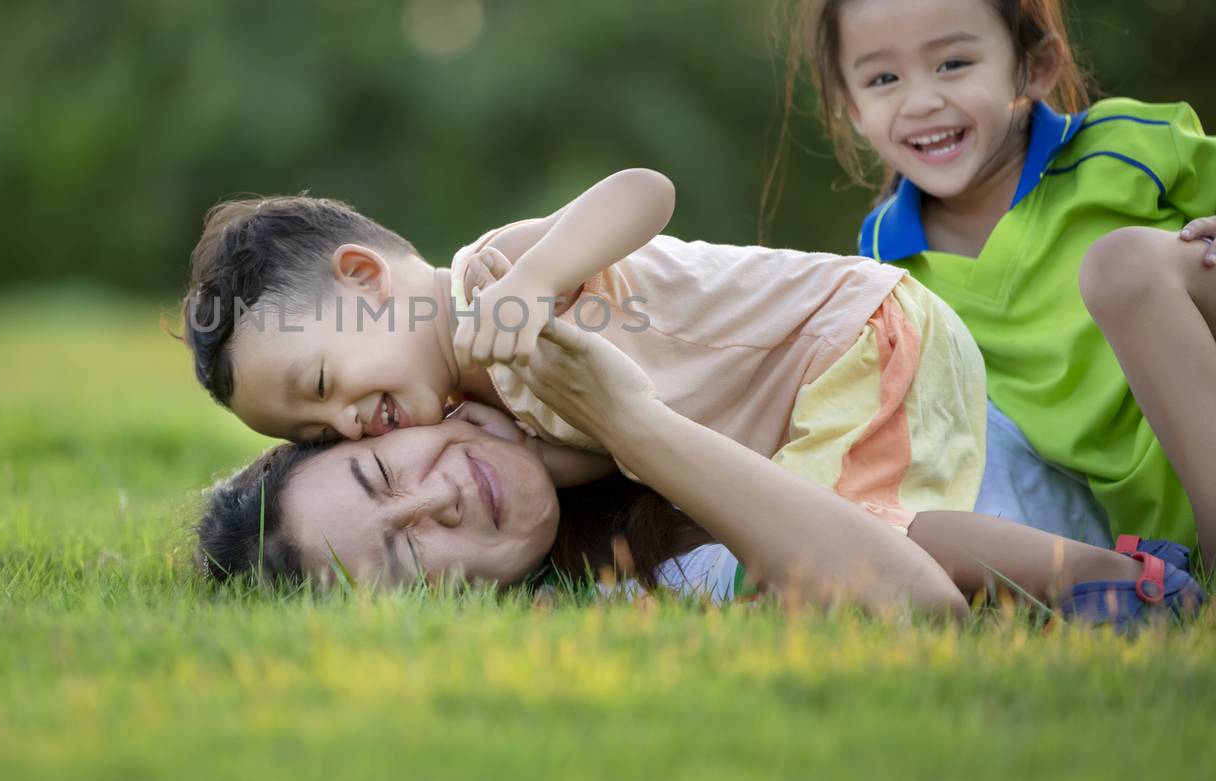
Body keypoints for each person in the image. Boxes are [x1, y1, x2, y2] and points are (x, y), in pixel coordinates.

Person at [197, 318, 1203, 627]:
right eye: (410, 554)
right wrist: (632, 428)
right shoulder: (653, 582)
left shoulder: (575, 333)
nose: (439, 495)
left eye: (385, 476)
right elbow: (917, 598)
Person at [181, 169, 989, 535]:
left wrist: (541, 275)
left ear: (362, 278)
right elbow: (616, 451)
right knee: (849, 533)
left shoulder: (490, 278)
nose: (347, 423)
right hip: (804, 406)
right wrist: (524, 448)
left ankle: (1093, 577)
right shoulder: (484, 411)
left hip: (852, 336)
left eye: (322, 381)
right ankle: (1089, 576)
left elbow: (647, 190)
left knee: (857, 542)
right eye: (319, 434)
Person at [780, 0, 1216, 557]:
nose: (922, 99)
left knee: (1121, 264)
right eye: (884, 78)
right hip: (1115, 536)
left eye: (953, 63)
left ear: (1033, 67)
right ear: (851, 109)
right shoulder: (884, 272)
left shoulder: (1127, 147)